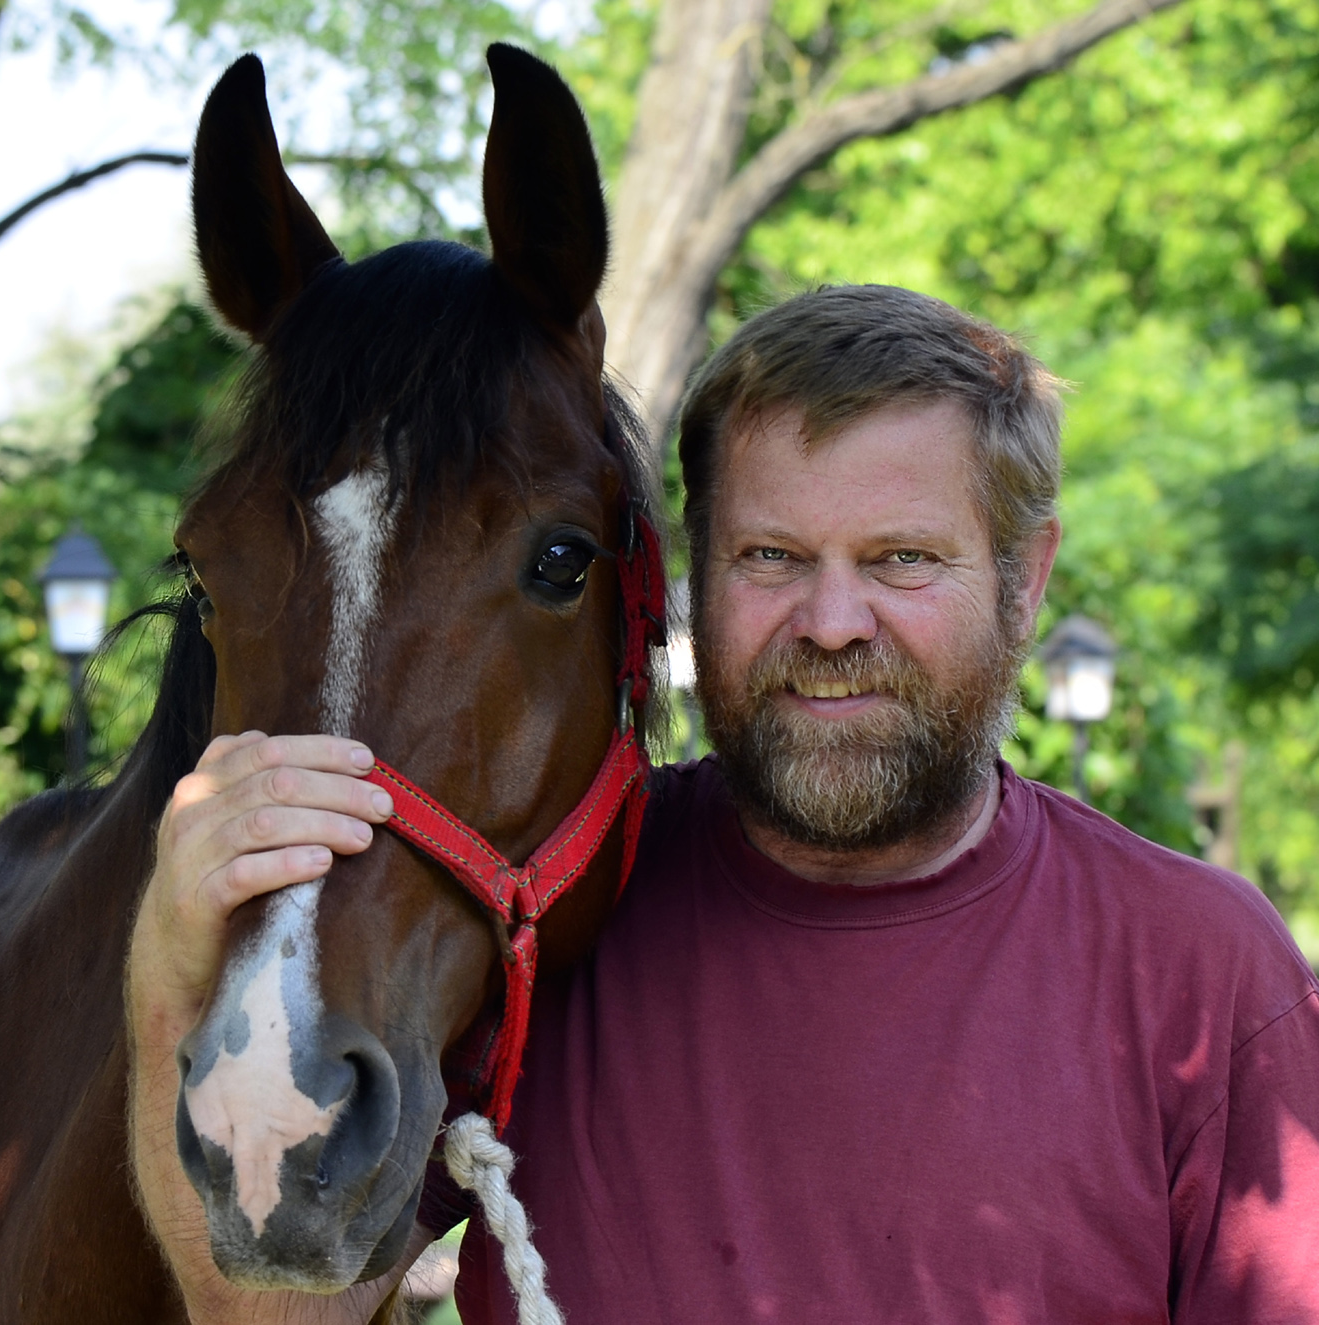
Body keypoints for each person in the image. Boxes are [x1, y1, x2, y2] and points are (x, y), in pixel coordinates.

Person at [128, 284, 1319, 1322]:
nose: (833, 621)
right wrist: (166, 983)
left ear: (1025, 578)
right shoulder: (544, 921)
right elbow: (266, 1314)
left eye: (903, 558)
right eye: (769, 557)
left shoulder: (1203, 977)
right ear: (689, 576)